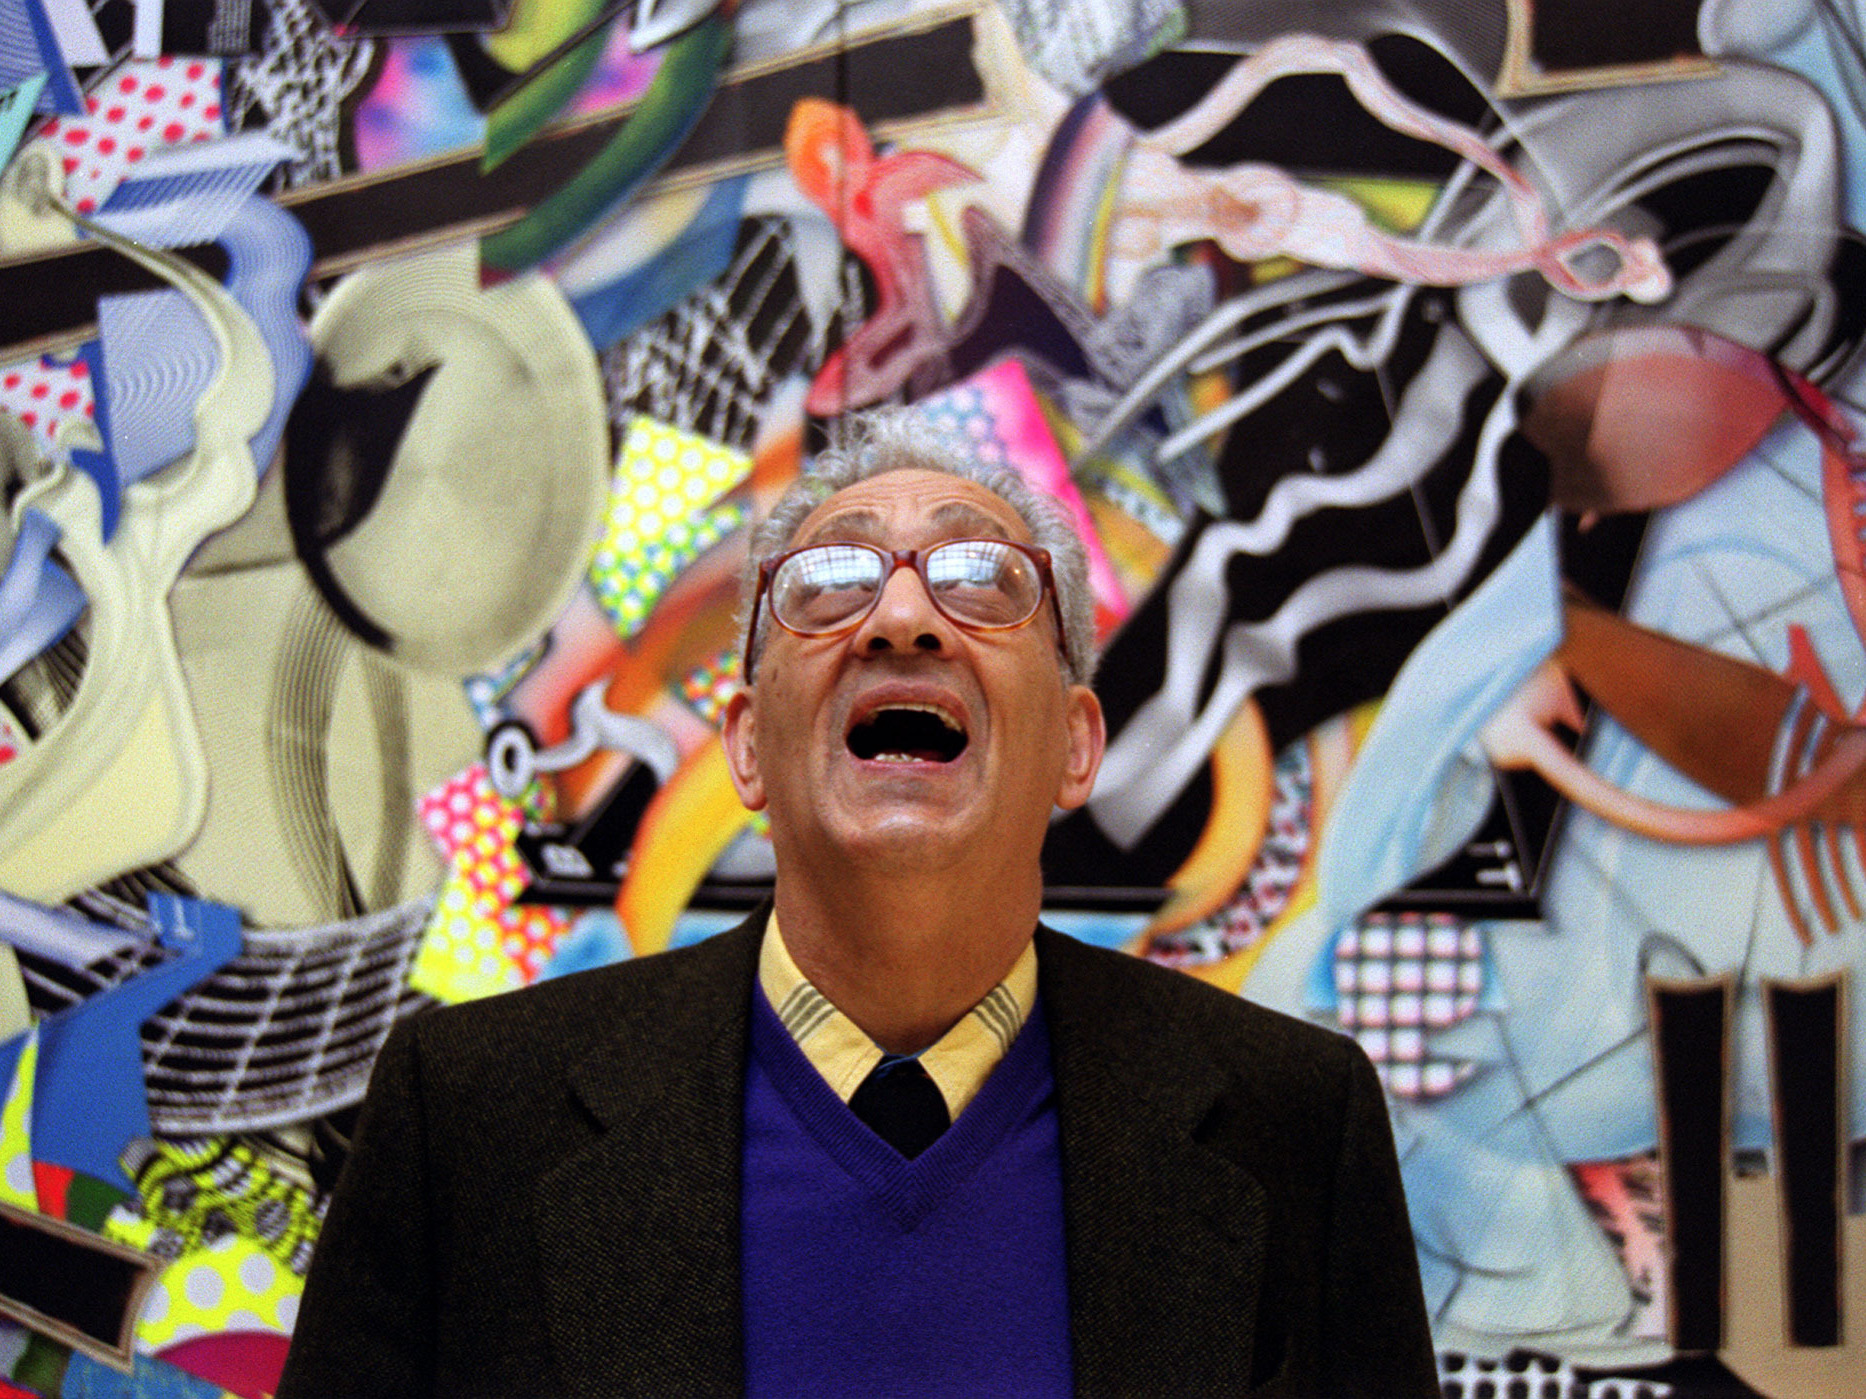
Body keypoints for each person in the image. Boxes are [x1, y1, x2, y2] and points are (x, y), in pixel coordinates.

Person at [277, 409, 1439, 1397]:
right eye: (830, 583)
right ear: (742, 748)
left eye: (982, 579)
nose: (900, 619)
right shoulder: (469, 1118)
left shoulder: (1296, 1124)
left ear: (1078, 746)